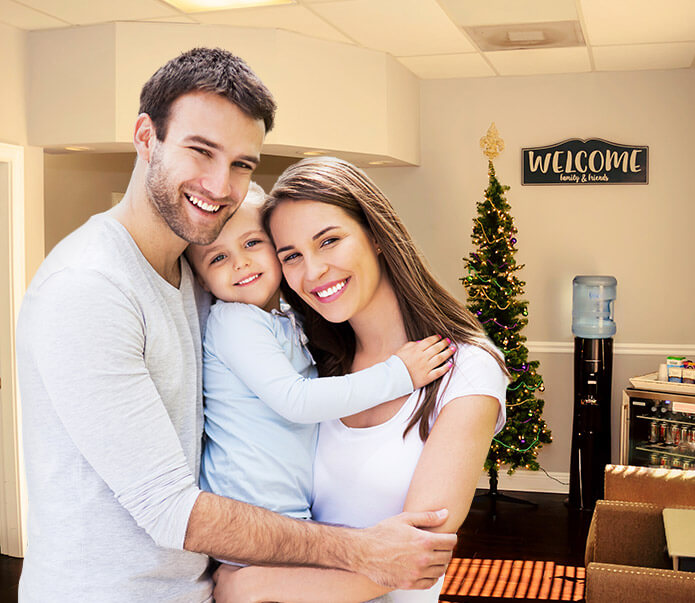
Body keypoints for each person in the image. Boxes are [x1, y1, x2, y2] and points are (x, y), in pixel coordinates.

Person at [15, 49, 458, 602]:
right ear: (146, 137)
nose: (221, 185)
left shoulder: (195, 272)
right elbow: (170, 508)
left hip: (208, 588)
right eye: (201, 151)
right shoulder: (89, 289)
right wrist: (357, 550)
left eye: (242, 164)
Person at [213, 156, 509, 603]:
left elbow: (417, 556)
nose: (312, 272)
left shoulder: (465, 369)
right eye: (291, 255)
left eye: (328, 241)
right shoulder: (313, 364)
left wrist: (252, 583)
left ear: (375, 235)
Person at [185, 182, 455, 529]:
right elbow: (297, 401)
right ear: (203, 282)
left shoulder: (285, 318)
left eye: (252, 243)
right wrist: (399, 374)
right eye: (218, 257)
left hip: (286, 511)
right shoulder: (235, 321)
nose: (241, 263)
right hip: (249, 511)